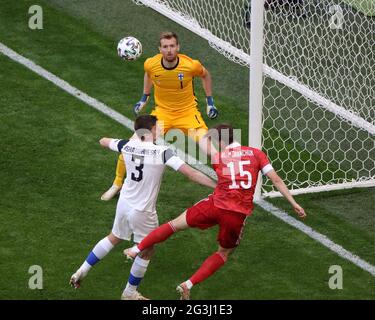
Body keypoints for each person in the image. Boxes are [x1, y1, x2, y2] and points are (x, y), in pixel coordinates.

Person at [124, 123, 306, 300]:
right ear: (233, 137)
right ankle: (188, 284)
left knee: (174, 225)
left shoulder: (218, 157)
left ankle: (136, 249)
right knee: (223, 253)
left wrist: (202, 132)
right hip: (236, 214)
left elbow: (204, 143)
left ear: (219, 141)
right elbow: (275, 179)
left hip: (214, 205)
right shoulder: (257, 154)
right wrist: (293, 202)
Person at [70, 115, 216, 300]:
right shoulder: (163, 152)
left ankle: (80, 271)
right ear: (151, 129)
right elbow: (192, 174)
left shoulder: (126, 145)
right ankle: (129, 293)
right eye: (158, 127)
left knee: (114, 237)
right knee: (147, 250)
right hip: (143, 210)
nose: (160, 130)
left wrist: (124, 142)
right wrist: (217, 185)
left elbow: (103, 141)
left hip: (124, 203)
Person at [101, 31, 219, 201]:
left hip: (188, 114)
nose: (169, 50)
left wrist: (210, 101)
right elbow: (149, 75)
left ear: (178, 47)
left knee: (210, 151)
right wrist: (144, 97)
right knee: (131, 145)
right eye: (165, 47)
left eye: (172, 46)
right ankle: (117, 183)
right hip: (162, 115)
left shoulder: (190, 65)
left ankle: (227, 185)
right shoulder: (150, 64)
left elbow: (205, 75)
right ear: (160, 49)